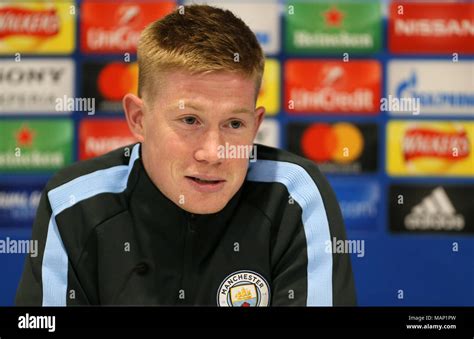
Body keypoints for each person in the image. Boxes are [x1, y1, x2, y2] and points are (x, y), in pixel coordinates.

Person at [16, 4, 356, 306]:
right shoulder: (73, 203)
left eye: (234, 123)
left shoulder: (295, 196)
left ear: (256, 125)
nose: (213, 152)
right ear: (139, 118)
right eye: (189, 120)